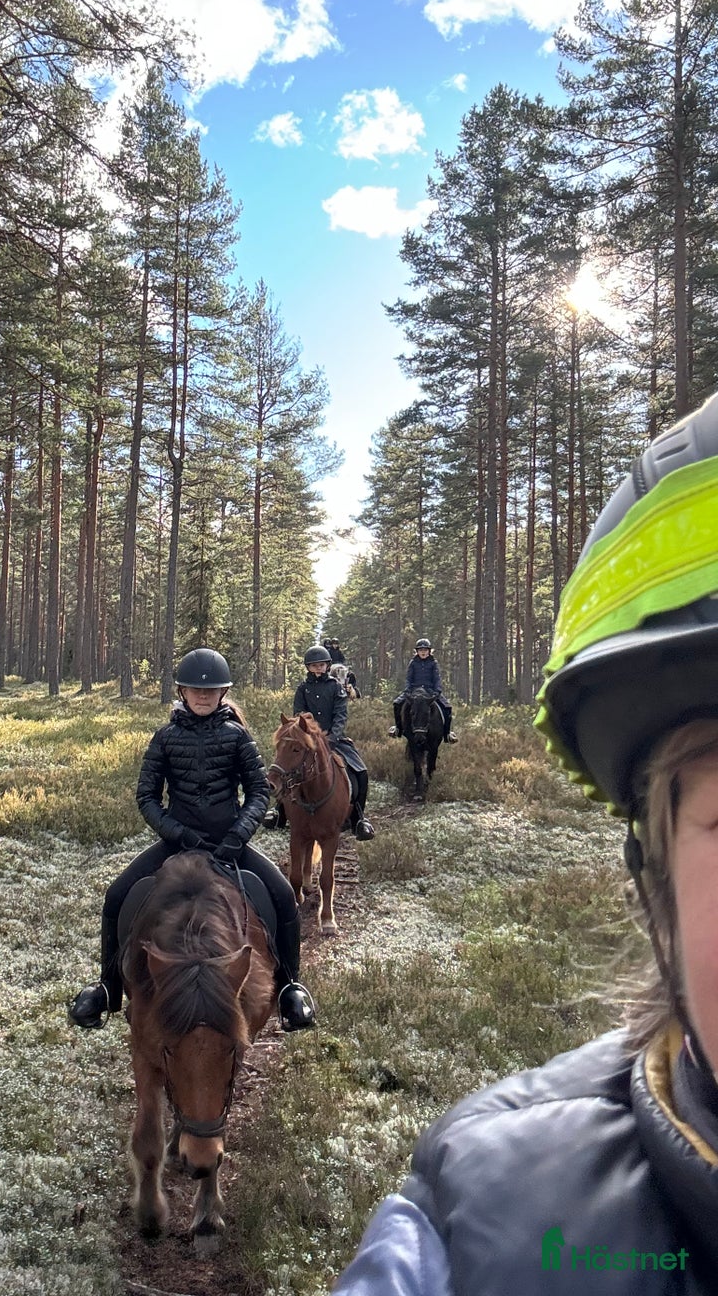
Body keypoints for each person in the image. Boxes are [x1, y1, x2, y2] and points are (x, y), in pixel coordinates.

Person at [333, 392, 718, 1293]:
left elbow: (422, 691)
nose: (420, 658)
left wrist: (425, 698)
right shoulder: (473, 1227)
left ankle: (377, 801)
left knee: (419, 721)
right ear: (656, 874)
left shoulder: (432, 668)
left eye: (422, 653)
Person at [69, 648, 317, 1033]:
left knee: (284, 896)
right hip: (177, 843)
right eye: (196, 689)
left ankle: (289, 988)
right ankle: (106, 988)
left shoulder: (238, 737)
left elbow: (257, 792)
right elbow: (147, 797)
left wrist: (237, 836)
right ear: (182, 692)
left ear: (223, 693)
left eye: (211, 690)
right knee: (116, 896)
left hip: (228, 844)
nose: (203, 695)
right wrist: (176, 833)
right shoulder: (165, 738)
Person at [270, 644, 372, 839]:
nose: (318, 668)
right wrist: (306, 736)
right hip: (307, 740)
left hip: (334, 739)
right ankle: (278, 812)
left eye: (321, 665)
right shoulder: (303, 688)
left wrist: (332, 738)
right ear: (308, 667)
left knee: (361, 772)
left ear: (327, 666)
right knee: (288, 769)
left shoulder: (336, 687)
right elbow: (298, 714)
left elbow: (340, 715)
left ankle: (359, 818)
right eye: (314, 665)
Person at [390, 638, 457, 742]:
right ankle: (398, 729)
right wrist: (407, 690)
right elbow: (409, 678)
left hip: (430, 690)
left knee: (447, 707)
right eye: (420, 650)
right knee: (397, 704)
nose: (423, 652)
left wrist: (437, 691)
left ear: (429, 651)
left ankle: (447, 734)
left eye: (425, 650)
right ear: (417, 651)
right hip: (414, 690)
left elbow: (436, 678)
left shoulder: (433, 663)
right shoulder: (413, 663)